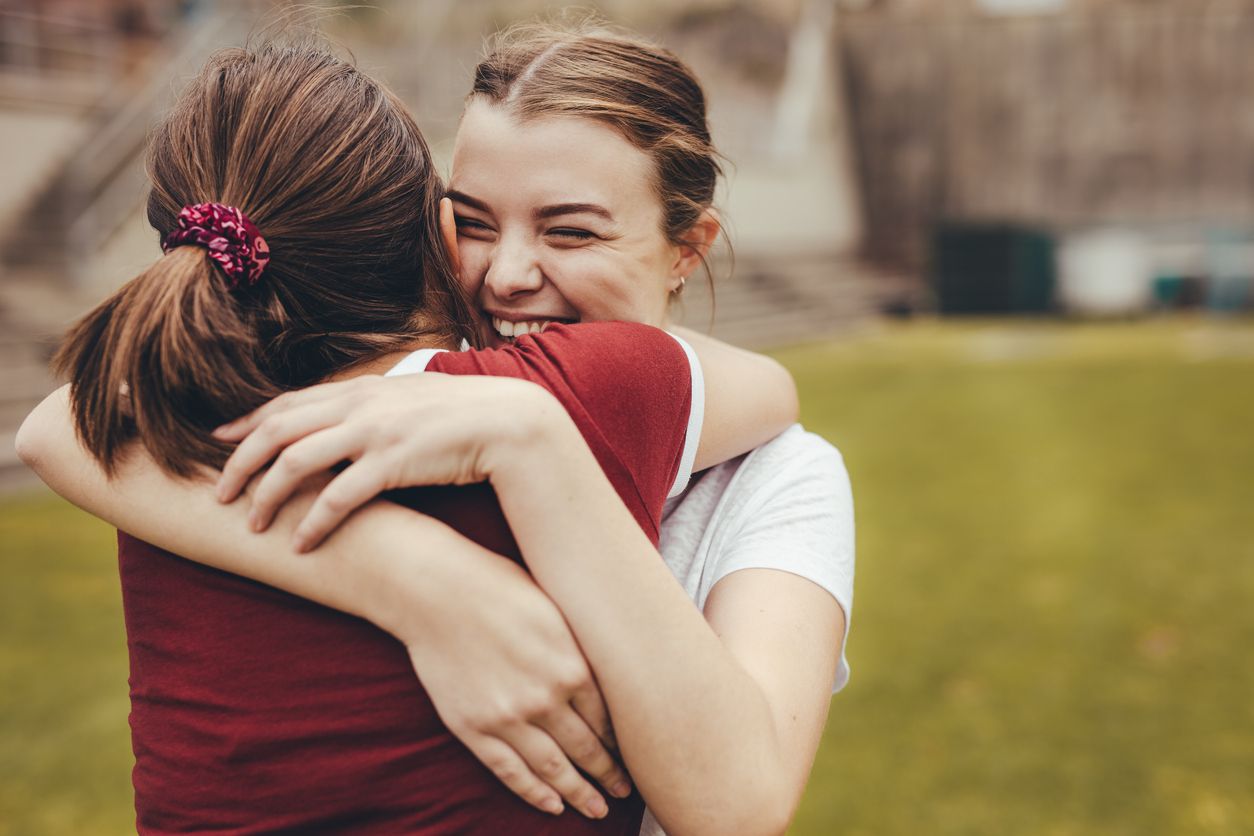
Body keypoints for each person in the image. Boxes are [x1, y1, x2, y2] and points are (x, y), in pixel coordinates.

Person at [20, 21, 854, 836]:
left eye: (572, 232)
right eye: (475, 223)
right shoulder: (367, 401)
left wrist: (528, 437)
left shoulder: (777, 478)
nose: (510, 275)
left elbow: (740, 806)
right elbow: (62, 427)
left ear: (688, 249)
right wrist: (424, 583)